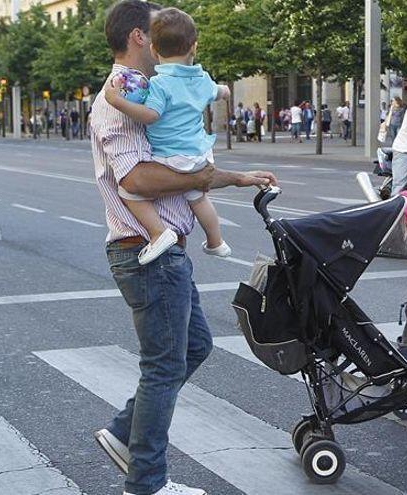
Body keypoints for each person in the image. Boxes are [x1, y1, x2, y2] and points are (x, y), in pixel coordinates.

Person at [90, 3, 277, 495]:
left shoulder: (158, 89)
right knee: (164, 365)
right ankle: (146, 483)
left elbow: (183, 157)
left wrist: (237, 176)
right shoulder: (121, 95)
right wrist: (201, 177)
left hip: (167, 251)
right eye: (152, 32)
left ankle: (124, 432)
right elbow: (139, 178)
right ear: (139, 38)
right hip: (143, 250)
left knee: (195, 346)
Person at [104, 6, 233, 265]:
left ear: (154, 49)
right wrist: (224, 92)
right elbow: (221, 92)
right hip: (200, 152)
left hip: (172, 156)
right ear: (194, 47)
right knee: (198, 198)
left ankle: (157, 232)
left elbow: (150, 116)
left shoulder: (158, 85)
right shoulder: (203, 79)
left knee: (128, 193)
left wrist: (117, 102)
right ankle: (216, 241)